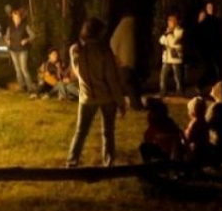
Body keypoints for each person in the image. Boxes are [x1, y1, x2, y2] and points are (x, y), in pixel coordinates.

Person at [66, 18, 126, 168]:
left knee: (80, 132)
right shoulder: (104, 51)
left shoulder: (75, 50)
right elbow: (112, 79)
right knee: (108, 132)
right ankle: (109, 162)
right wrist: (120, 101)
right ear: (98, 33)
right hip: (106, 97)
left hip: (86, 97)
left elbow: (76, 72)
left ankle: (72, 162)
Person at [109, 13, 145, 110]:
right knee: (130, 83)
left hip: (123, 61)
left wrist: (115, 56)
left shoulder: (121, 28)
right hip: (132, 61)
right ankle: (135, 104)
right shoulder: (133, 28)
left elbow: (113, 43)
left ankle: (135, 105)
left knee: (127, 84)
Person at [139, 97, 184, 163]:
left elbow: (147, 139)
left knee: (143, 147)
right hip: (172, 154)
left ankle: (147, 167)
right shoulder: (171, 125)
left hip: (164, 155)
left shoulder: (153, 129)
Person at [5, 8, 36, 93]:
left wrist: (26, 40)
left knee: (24, 68)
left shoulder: (25, 26)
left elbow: (33, 35)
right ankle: (21, 86)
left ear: (20, 18)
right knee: (17, 69)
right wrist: (7, 40)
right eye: (14, 18)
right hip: (13, 50)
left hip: (22, 50)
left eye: (17, 17)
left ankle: (30, 87)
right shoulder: (10, 27)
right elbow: (6, 37)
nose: (16, 19)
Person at [197, 1, 222, 92]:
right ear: (206, 9)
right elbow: (201, 36)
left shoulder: (217, 20)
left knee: (218, 69)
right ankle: (201, 85)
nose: (211, 9)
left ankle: (219, 88)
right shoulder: (205, 21)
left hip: (216, 48)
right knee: (211, 69)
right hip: (208, 49)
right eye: (209, 7)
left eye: (212, 7)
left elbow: (219, 35)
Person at [159, 12, 185, 98]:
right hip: (167, 57)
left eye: (171, 21)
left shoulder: (180, 31)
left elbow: (173, 41)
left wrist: (169, 34)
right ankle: (163, 91)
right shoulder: (168, 31)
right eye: (168, 21)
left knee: (177, 76)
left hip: (175, 57)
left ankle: (179, 91)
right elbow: (161, 40)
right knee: (163, 75)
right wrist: (167, 34)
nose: (169, 22)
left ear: (176, 21)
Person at [206, 80, 222, 162]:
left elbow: (206, 123)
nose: (212, 87)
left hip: (216, 143)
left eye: (215, 86)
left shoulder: (216, 108)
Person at [184, 96, 211, 165]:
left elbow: (188, 138)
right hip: (204, 149)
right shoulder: (204, 121)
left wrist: (183, 134)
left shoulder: (194, 123)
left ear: (192, 111)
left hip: (195, 151)